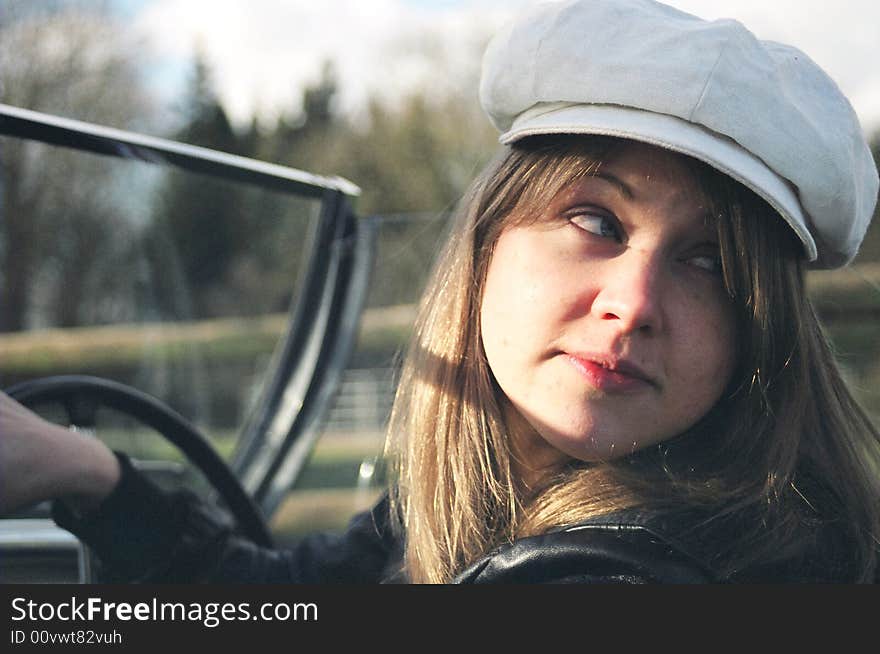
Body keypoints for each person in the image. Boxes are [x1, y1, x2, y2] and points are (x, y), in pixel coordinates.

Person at [1, 0, 878, 583]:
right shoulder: (499, 486)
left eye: (713, 264)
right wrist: (88, 471)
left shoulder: (609, 578)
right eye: (598, 222)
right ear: (489, 240)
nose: (634, 302)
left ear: (760, 331)